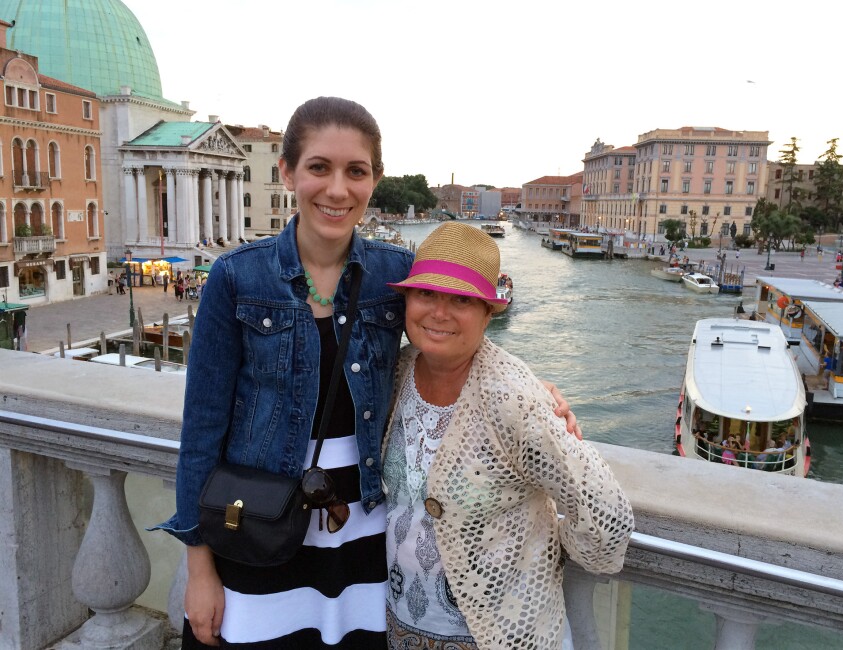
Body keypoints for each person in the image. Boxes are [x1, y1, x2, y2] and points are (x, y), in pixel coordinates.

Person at [153, 97, 578, 649]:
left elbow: (453, 343)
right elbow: (201, 431)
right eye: (319, 168)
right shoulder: (236, 278)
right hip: (260, 526)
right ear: (288, 172)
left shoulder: (393, 273)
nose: (337, 190)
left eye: (356, 171)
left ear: (374, 181)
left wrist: (534, 391)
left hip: (360, 528)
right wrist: (200, 569)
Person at [382, 222, 633, 649]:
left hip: (498, 637)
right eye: (426, 294)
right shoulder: (395, 372)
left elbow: (607, 518)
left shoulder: (514, 397)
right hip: (402, 628)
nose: (439, 313)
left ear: (487, 313)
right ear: (407, 300)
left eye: (461, 299)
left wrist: (545, 551)